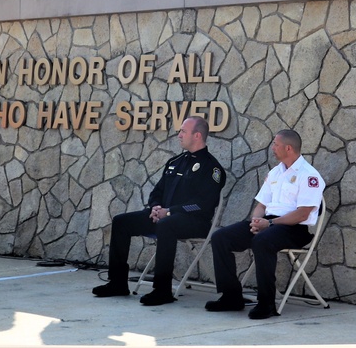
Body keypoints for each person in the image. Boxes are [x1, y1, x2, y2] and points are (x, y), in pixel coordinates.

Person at [92, 116, 225, 306]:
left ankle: (162, 290)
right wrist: (155, 207)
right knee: (121, 222)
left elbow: (203, 205)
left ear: (197, 136)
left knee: (166, 225)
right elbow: (158, 192)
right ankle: (117, 283)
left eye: (183, 132)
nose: (179, 135)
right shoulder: (175, 162)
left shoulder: (211, 168)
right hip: (165, 217)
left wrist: (169, 212)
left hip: (195, 222)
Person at [205, 129, 325, 320]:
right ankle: (231, 297)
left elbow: (303, 213)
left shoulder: (309, 175)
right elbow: (261, 204)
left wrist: (268, 223)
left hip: (294, 229)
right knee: (220, 237)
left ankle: (266, 304)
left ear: (288, 148)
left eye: (275, 144)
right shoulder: (275, 172)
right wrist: (255, 221)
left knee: (262, 240)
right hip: (269, 224)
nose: (272, 148)